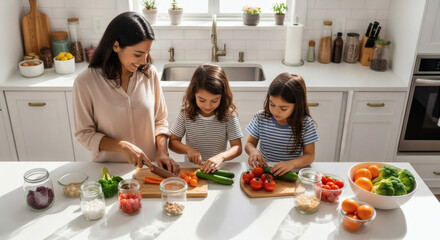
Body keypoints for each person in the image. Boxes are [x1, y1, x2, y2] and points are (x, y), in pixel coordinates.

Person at [72, 12, 179, 174]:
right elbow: (84, 134)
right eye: (138, 54)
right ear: (116, 46)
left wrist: (163, 153)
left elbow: (160, 121)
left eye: (147, 53)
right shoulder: (86, 82)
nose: (144, 61)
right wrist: (122, 146)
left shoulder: (150, 74)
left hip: (149, 170)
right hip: (109, 173)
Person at [169, 64, 243, 173]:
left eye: (214, 100)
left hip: (218, 170)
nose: (208, 106)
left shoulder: (229, 115)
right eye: (202, 100)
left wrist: (221, 157)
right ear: (193, 94)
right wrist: (188, 150)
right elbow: (172, 142)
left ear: (222, 96)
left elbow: (237, 147)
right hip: (192, 169)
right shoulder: (185, 114)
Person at [245, 73, 319, 176]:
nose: (275, 111)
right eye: (272, 104)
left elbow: (310, 155)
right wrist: (253, 152)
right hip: (265, 171)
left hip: (291, 172)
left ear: (297, 105)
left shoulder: (305, 124)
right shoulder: (261, 117)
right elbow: (249, 144)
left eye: (283, 108)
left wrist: (291, 164)